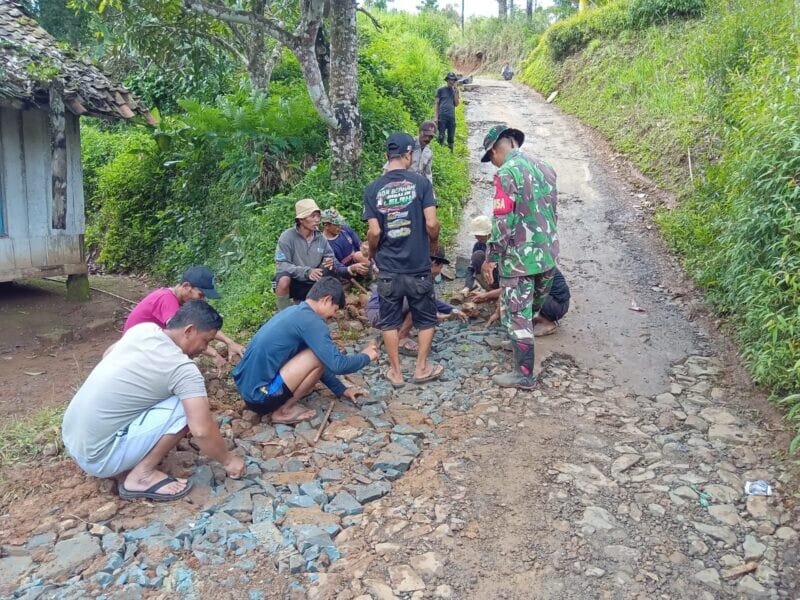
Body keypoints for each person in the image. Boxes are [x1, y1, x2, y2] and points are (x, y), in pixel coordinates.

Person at [62, 301, 246, 501]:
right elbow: (201, 430)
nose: (204, 348)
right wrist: (228, 461)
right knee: (185, 407)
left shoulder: (144, 330)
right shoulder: (182, 369)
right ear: (189, 331)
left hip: (72, 440)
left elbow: (108, 353)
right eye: (205, 340)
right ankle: (142, 476)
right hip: (99, 459)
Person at [233, 277, 379, 424]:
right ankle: (283, 411)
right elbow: (337, 364)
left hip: (248, 391)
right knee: (317, 356)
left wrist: (342, 390)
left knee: (317, 355)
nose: (332, 316)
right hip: (262, 397)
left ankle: (277, 401)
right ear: (327, 300)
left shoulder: (294, 311)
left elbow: (318, 362)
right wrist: (366, 356)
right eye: (334, 310)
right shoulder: (312, 322)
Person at [479, 123, 559, 389]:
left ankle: (523, 374)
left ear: (494, 151)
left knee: (518, 314)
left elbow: (503, 222)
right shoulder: (545, 167)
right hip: (547, 255)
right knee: (528, 309)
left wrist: (491, 257)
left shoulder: (506, 172)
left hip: (519, 260)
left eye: (490, 158)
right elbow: (552, 212)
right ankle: (513, 342)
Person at [364, 132, 441, 387]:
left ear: (387, 155)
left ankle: (396, 372)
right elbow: (432, 223)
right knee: (426, 318)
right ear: (408, 154)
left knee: (389, 320)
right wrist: (433, 245)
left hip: (389, 268)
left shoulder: (372, 189)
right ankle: (421, 368)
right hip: (418, 265)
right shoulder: (421, 183)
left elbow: (374, 232)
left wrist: (373, 253)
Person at [123, 266, 245, 369]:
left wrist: (229, 342)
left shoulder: (178, 301)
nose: (203, 300)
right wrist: (214, 355)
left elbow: (203, 326)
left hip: (148, 347)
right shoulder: (167, 299)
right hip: (137, 353)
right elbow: (183, 334)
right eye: (201, 295)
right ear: (186, 286)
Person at [365, 249, 467, 354]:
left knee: (420, 303)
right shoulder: (414, 276)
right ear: (432, 264)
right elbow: (421, 301)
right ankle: (401, 338)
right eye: (440, 267)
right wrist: (437, 315)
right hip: (378, 313)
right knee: (418, 303)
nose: (440, 272)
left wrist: (451, 309)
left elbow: (431, 300)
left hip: (382, 311)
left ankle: (394, 334)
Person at [274, 198, 362, 311]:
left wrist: (329, 261)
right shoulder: (287, 237)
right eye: (313, 216)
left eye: (318, 216)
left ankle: (320, 306)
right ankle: (284, 313)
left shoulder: (320, 238)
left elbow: (329, 256)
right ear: (301, 220)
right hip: (296, 280)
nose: (317, 220)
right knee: (283, 280)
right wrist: (307, 272)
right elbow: (282, 265)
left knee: (330, 271)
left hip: (314, 280)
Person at [472, 267, 570, 335]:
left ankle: (547, 323)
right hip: (555, 302)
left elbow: (510, 289)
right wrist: (486, 296)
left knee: (518, 296)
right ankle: (535, 318)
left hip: (555, 305)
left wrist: (498, 312)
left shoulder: (527, 266)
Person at [382, 121, 437, 185]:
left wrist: (429, 186)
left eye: (430, 136)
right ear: (419, 132)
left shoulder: (429, 152)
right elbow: (392, 162)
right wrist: (384, 180)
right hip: (402, 181)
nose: (427, 138)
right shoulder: (408, 144)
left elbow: (427, 173)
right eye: (425, 135)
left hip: (417, 182)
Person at [462, 215, 494, 293]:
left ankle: (498, 292)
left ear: (489, 233)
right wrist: (467, 286)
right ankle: (490, 290)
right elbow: (471, 267)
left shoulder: (498, 244)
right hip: (488, 281)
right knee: (477, 255)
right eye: (476, 235)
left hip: (500, 277)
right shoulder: (478, 245)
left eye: (480, 235)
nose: (478, 237)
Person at [435, 73, 460, 153]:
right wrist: (436, 117)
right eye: (450, 79)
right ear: (447, 80)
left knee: (451, 138)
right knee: (441, 136)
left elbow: (456, 104)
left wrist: (455, 91)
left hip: (451, 117)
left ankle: (450, 153)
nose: (451, 81)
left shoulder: (455, 91)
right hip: (442, 116)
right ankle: (440, 152)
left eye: (453, 80)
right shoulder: (440, 90)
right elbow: (437, 104)